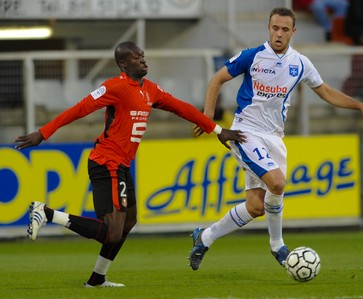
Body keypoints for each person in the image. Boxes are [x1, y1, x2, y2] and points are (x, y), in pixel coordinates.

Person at [13, 41, 246, 287]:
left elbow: (182, 108)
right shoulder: (115, 87)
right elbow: (79, 109)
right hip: (106, 162)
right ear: (123, 64)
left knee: (129, 222)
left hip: (122, 164)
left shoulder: (150, 90)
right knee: (112, 231)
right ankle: (46, 213)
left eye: (143, 55)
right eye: (136, 57)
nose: (143, 60)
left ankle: (96, 279)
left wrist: (218, 129)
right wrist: (44, 132)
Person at [189, 7, 363, 271]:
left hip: (274, 137)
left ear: (293, 31)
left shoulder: (300, 63)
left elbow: (325, 91)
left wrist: (359, 106)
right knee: (277, 183)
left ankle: (204, 237)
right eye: (274, 28)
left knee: (256, 207)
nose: (278, 34)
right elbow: (217, 79)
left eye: (284, 29)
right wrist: (208, 118)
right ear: (268, 28)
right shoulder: (253, 56)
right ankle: (277, 245)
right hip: (246, 132)